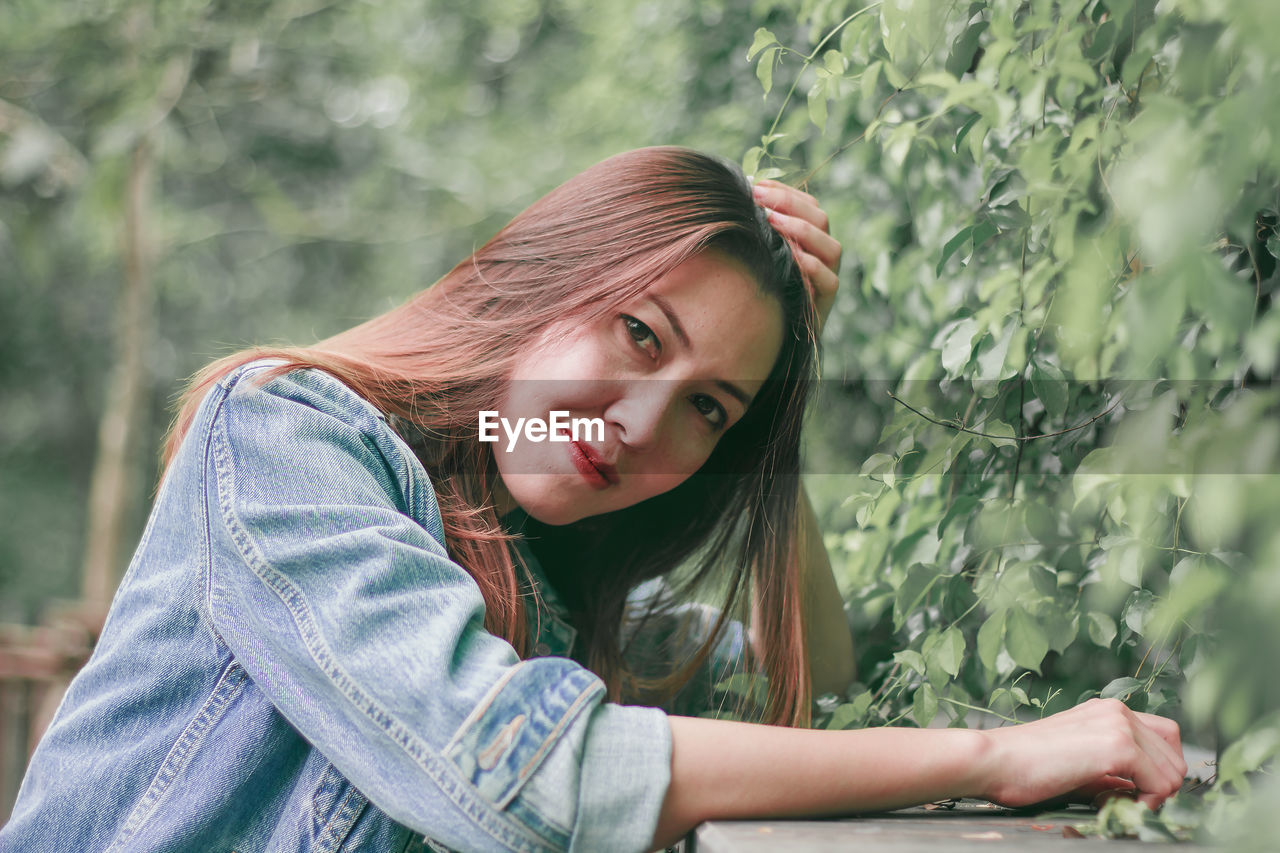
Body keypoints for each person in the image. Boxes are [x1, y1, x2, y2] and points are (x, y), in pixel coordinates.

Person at [0, 147, 1186, 853]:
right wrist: (992, 753)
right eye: (635, 332)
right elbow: (512, 773)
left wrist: (772, 403)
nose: (635, 424)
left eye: (703, 410)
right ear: (547, 276)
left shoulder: (553, 577)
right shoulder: (282, 433)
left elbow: (811, 685)